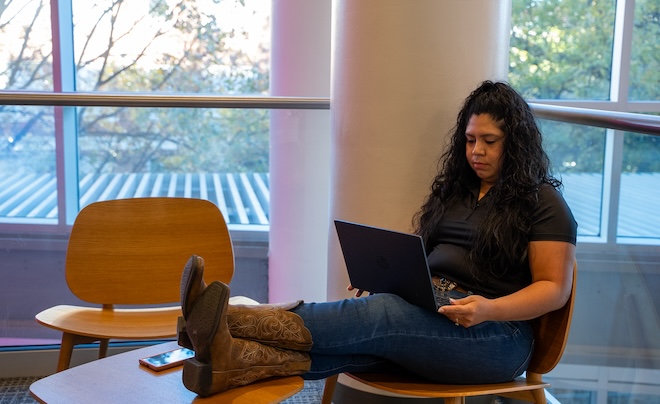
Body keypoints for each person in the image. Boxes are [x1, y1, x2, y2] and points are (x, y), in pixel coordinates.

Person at [177, 80, 578, 397]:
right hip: (435, 310)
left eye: (489, 142)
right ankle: (229, 362)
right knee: (363, 344)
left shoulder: (543, 203)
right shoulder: (457, 191)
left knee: (383, 314)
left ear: (516, 143)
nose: (476, 151)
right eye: (471, 140)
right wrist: (389, 277)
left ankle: (225, 318)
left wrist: (488, 310)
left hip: (496, 338)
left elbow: (554, 289)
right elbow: (424, 257)